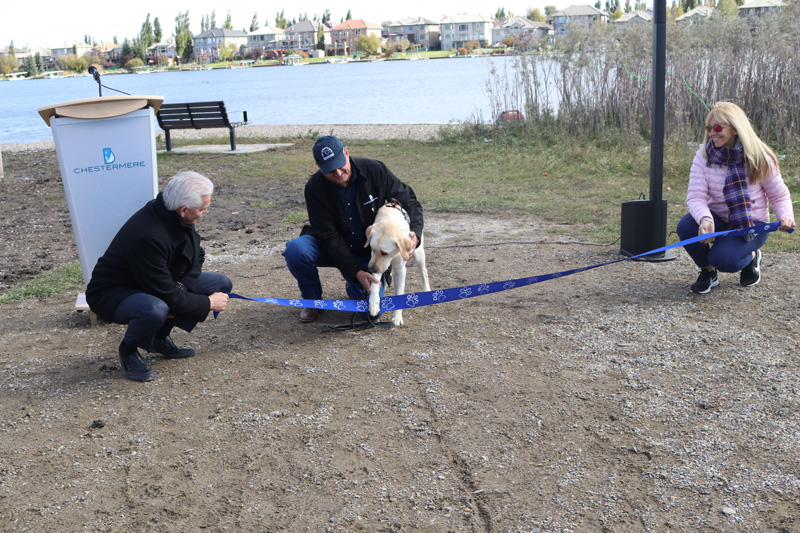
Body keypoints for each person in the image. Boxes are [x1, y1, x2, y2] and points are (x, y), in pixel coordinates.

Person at [86, 171, 232, 381]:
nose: (205, 212)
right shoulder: (148, 235)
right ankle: (128, 351)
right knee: (156, 309)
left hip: (155, 280)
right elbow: (165, 293)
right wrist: (207, 303)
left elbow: (196, 254)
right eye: (202, 209)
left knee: (220, 283)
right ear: (183, 210)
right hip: (114, 292)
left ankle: (159, 338)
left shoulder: (173, 214)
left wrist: (183, 285)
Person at [283, 136, 423, 322]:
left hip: (369, 251)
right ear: (318, 166)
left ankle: (356, 286)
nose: (339, 173)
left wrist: (416, 233)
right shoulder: (314, 188)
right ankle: (312, 302)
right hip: (332, 247)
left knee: (371, 313)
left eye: (341, 166)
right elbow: (328, 237)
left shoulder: (375, 170)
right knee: (296, 250)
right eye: (331, 170)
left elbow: (410, 200)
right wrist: (356, 272)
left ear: (347, 153)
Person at [676, 102, 795, 294]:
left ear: (735, 129)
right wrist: (705, 219)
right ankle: (708, 272)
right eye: (709, 128)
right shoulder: (703, 157)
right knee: (686, 226)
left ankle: (752, 257)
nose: (712, 133)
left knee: (723, 259)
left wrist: (785, 216)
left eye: (717, 127)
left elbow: (778, 194)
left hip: (751, 221)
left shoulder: (760, 157)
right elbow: (696, 196)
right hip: (719, 217)